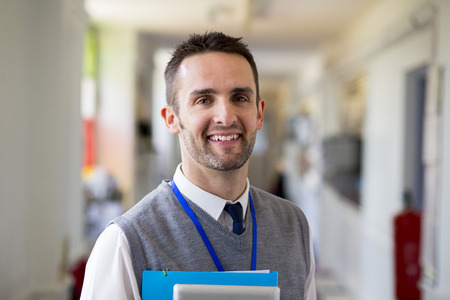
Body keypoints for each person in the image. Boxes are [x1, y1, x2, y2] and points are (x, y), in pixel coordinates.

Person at [80, 31, 316, 300]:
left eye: (240, 98)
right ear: (171, 119)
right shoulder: (127, 242)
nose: (226, 116)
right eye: (204, 100)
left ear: (259, 113)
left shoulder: (294, 226)